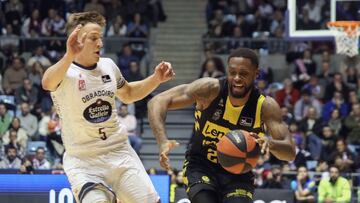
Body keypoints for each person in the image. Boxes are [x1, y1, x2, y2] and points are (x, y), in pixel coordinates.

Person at [41, 11, 174, 203]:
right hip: (83, 160)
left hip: (118, 151)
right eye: (94, 38)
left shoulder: (108, 65)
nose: (100, 44)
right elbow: (47, 82)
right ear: (77, 40)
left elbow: (128, 94)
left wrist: (156, 79)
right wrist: (69, 55)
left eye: (100, 38)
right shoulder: (64, 71)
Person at [148, 48, 295, 203]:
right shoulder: (210, 90)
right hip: (201, 165)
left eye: (243, 73)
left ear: (256, 74)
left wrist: (270, 143)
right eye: (232, 72)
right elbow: (157, 101)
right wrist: (162, 140)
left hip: (239, 172)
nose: (237, 78)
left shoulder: (265, 106)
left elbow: (290, 152)